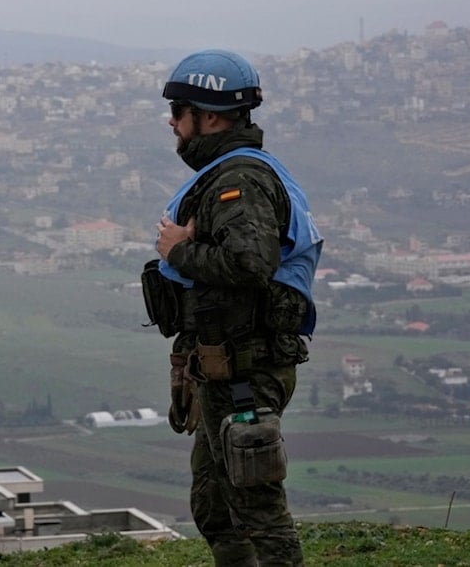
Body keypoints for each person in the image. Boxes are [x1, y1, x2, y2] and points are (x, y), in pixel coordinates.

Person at [145, 49, 322, 566]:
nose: (173, 124)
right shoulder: (230, 172)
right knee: (217, 505)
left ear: (211, 116)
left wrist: (178, 249)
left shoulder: (237, 181)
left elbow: (250, 264)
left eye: (179, 113)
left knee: (256, 507)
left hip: (248, 367)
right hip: (225, 367)